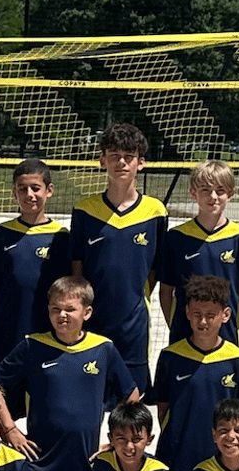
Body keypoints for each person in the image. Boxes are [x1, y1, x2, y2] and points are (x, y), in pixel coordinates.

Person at [0, 275, 138, 471]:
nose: (62, 315)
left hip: (83, 469)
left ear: (87, 312)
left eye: (70, 309)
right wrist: (9, 429)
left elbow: (132, 397)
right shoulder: (33, 345)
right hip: (38, 468)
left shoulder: (103, 349)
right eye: (55, 309)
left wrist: (117, 442)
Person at [69, 122, 167, 391]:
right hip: (92, 320)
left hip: (133, 325)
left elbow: (155, 268)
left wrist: (136, 295)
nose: (121, 162)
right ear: (103, 161)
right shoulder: (85, 210)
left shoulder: (155, 212)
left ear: (141, 162)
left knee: (131, 405)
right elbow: (76, 267)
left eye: (128, 157)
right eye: (114, 156)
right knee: (89, 399)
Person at [150, 275, 239, 471]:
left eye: (210, 315)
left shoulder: (238, 361)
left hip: (219, 461)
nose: (202, 321)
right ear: (187, 312)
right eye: (196, 314)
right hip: (176, 457)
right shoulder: (170, 357)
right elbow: (163, 410)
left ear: (225, 315)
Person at [157, 160, 239, 350]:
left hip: (225, 335)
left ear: (231, 194)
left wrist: (230, 323)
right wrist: (176, 324)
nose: (213, 197)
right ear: (193, 193)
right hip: (184, 333)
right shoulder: (177, 237)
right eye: (205, 190)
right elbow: (165, 291)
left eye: (220, 190)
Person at [0, 157, 71, 377]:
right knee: (0, 401)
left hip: (46, 333)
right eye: (22, 189)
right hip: (6, 333)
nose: (29, 195)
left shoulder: (61, 236)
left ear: (49, 190)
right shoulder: (2, 233)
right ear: (14, 193)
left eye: (36, 188)